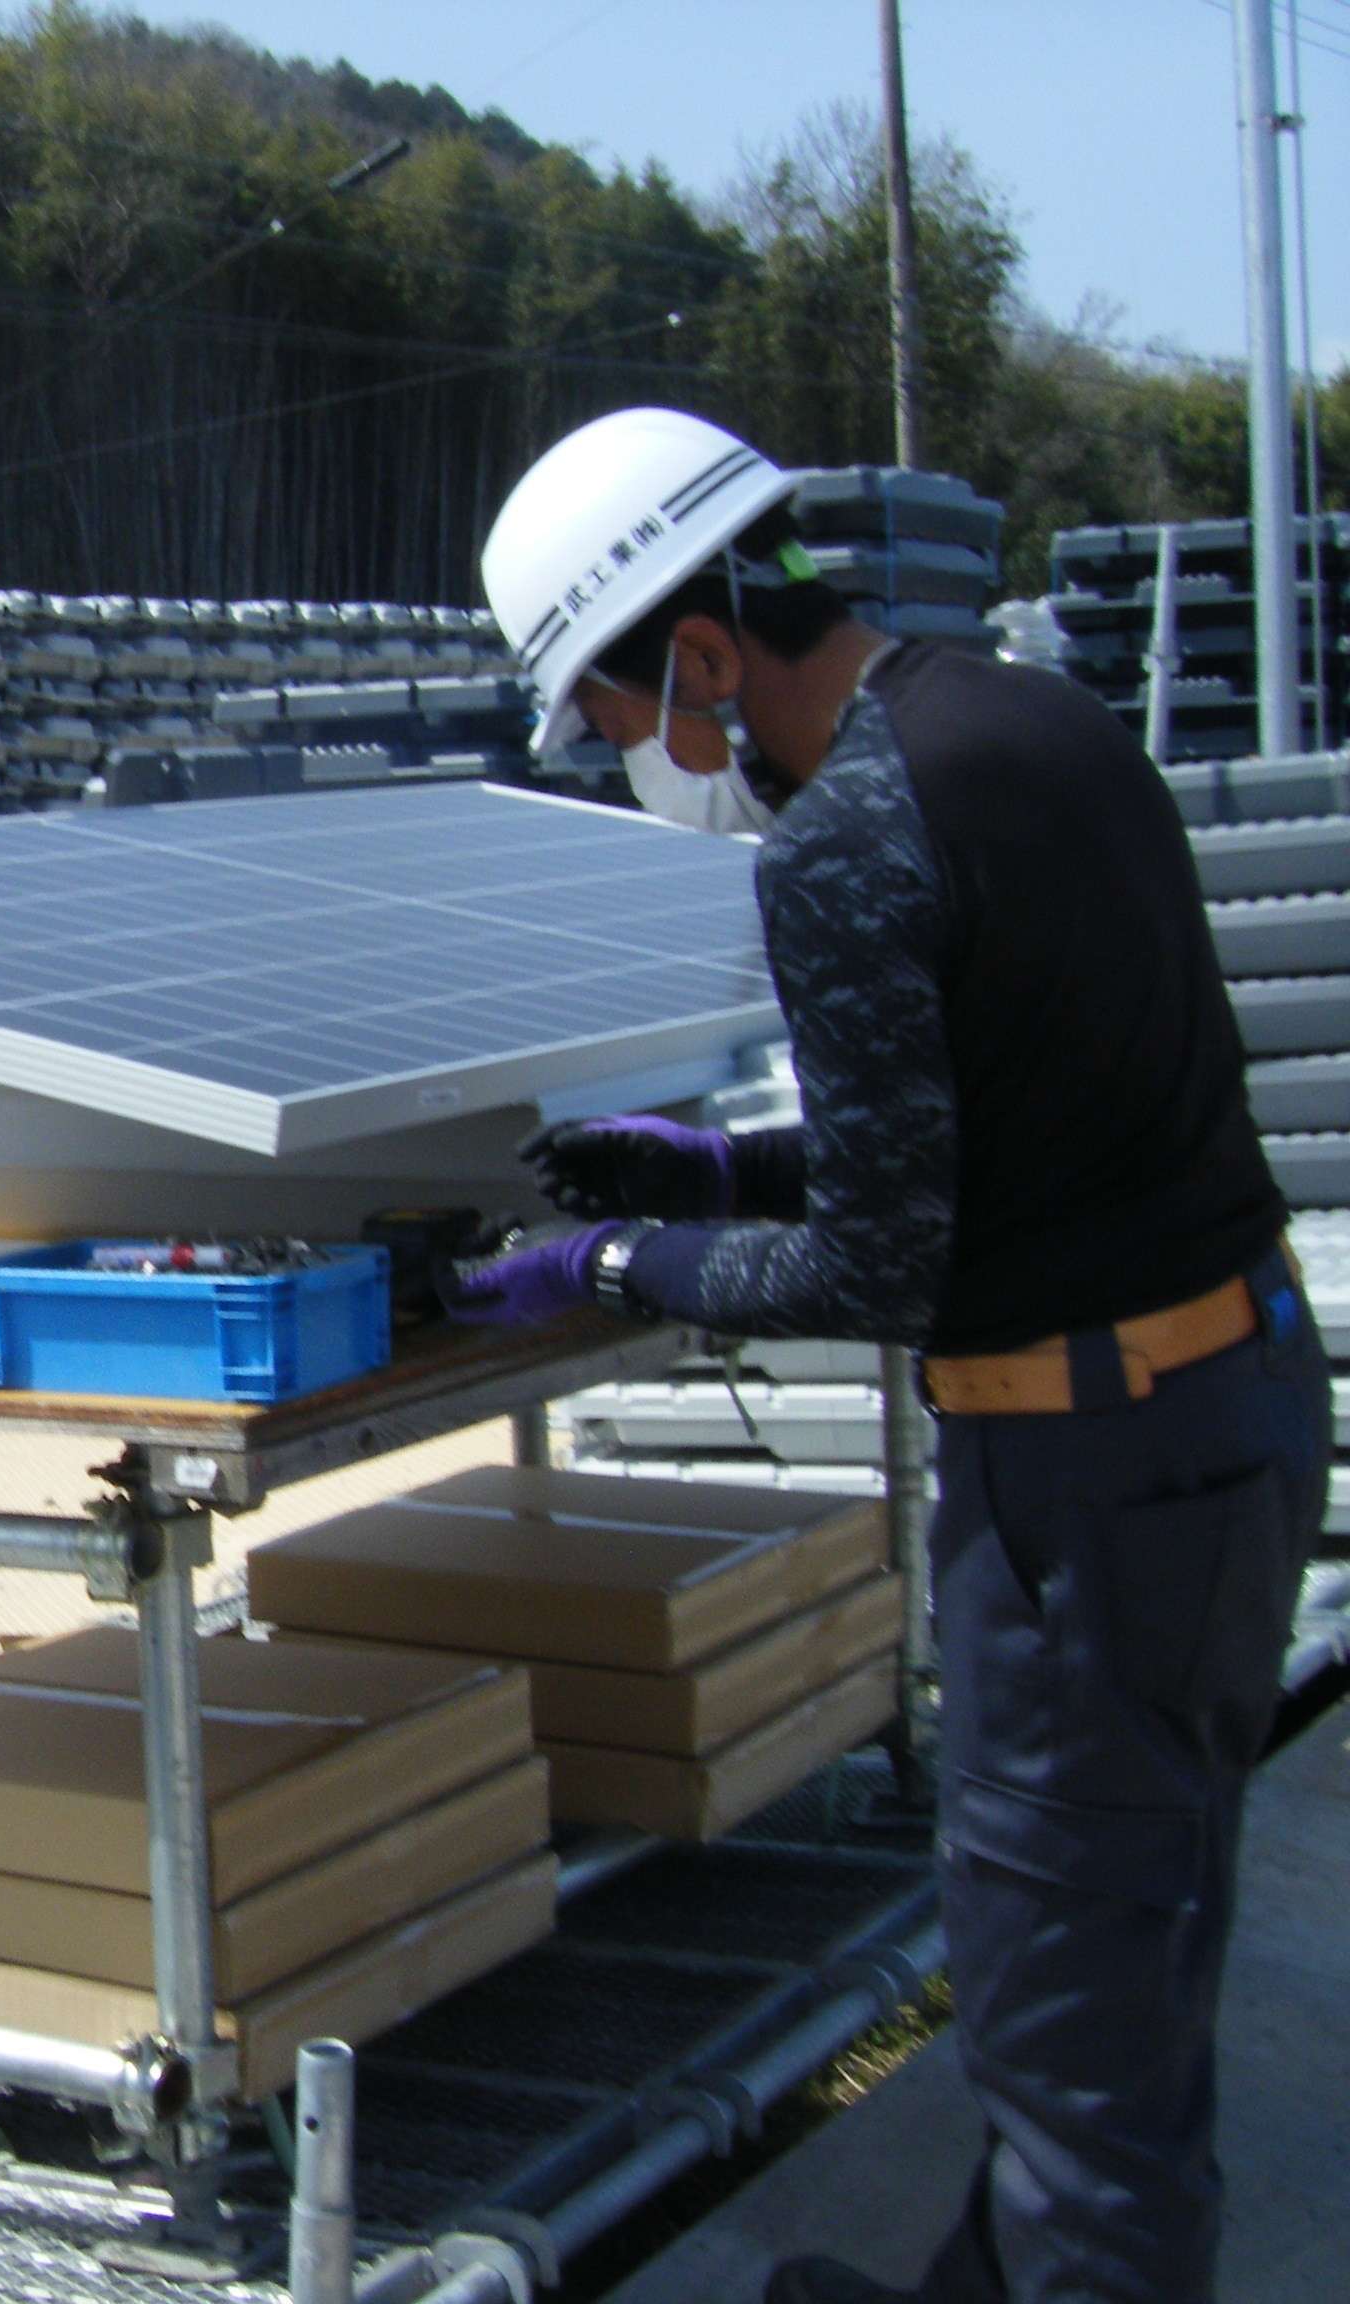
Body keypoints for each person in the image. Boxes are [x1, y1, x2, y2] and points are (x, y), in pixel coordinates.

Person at [461, 407, 1327, 2304]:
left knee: (1071, 2054)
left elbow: (880, 1258)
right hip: (1234, 1407)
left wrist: (623, 1258)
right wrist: (721, 1168)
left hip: (1090, 1494)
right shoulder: (1035, 723)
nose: (630, 764)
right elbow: (1012, 1119)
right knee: (1132, 1958)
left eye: (613, 721)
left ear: (702, 658)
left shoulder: (844, 841)